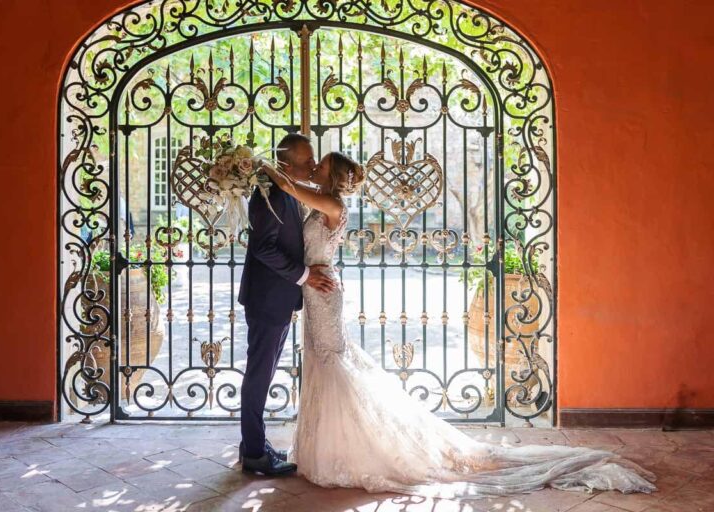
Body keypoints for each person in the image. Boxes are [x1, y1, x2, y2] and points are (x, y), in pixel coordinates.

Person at [260, 151, 658, 498]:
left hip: (324, 291)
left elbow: (290, 186)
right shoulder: (321, 201)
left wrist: (257, 164)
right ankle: (328, 447)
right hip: (315, 288)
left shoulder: (330, 204)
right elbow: (296, 195)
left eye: (321, 166)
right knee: (324, 359)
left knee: (332, 360)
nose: (315, 167)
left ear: (331, 177)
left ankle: (344, 451)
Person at [236, 133, 336, 476]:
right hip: (267, 299)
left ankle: (252, 443)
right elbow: (262, 248)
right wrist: (305, 275)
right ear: (286, 165)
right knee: (258, 375)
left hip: (277, 298)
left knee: (262, 373)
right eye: (307, 161)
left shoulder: (289, 191)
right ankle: (254, 453)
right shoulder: (271, 194)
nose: (313, 165)